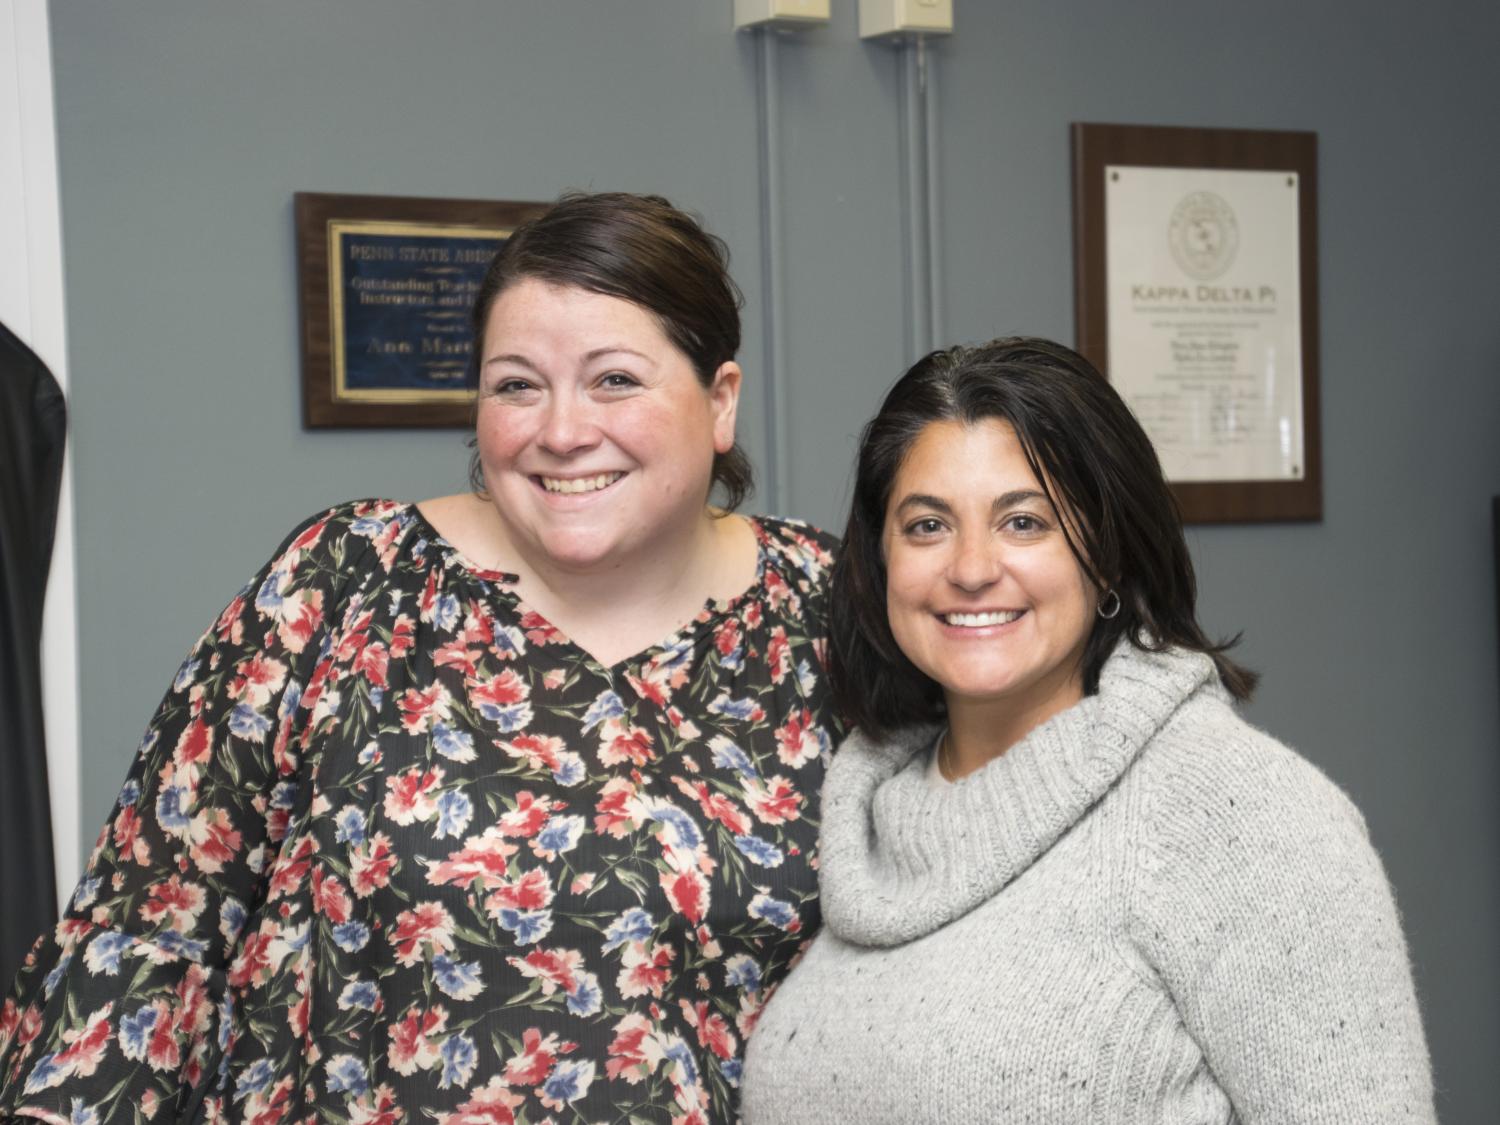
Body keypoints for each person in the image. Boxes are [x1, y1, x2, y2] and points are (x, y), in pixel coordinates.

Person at [0, 192, 840, 1124]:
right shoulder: (343, 583)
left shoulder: (830, 613)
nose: (562, 431)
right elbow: (149, 931)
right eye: (516, 385)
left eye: (613, 380)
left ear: (720, 401)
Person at [742, 337, 1434, 1123]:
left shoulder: (1243, 815)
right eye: (928, 525)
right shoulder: (864, 817)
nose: (972, 567)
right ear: (882, 560)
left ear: (1104, 554)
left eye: (1024, 521)